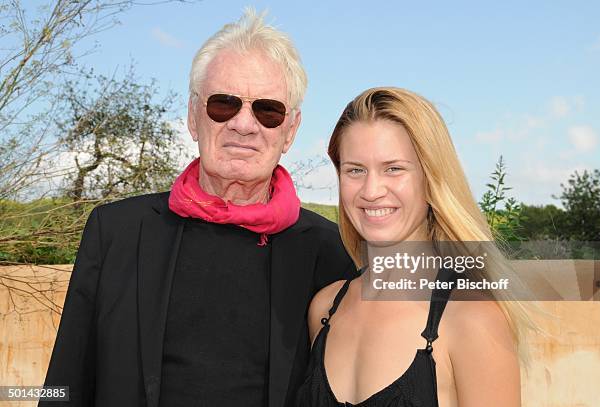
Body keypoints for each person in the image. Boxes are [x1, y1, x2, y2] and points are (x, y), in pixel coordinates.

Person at [41, 10, 356, 407]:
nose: (244, 124)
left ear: (290, 130)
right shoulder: (116, 233)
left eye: (267, 110)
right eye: (223, 104)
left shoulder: (332, 252)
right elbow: (66, 383)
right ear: (193, 116)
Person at [296, 87, 529, 406]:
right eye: (355, 170)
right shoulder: (324, 308)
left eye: (394, 168)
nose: (371, 190)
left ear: (431, 179)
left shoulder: (472, 319)